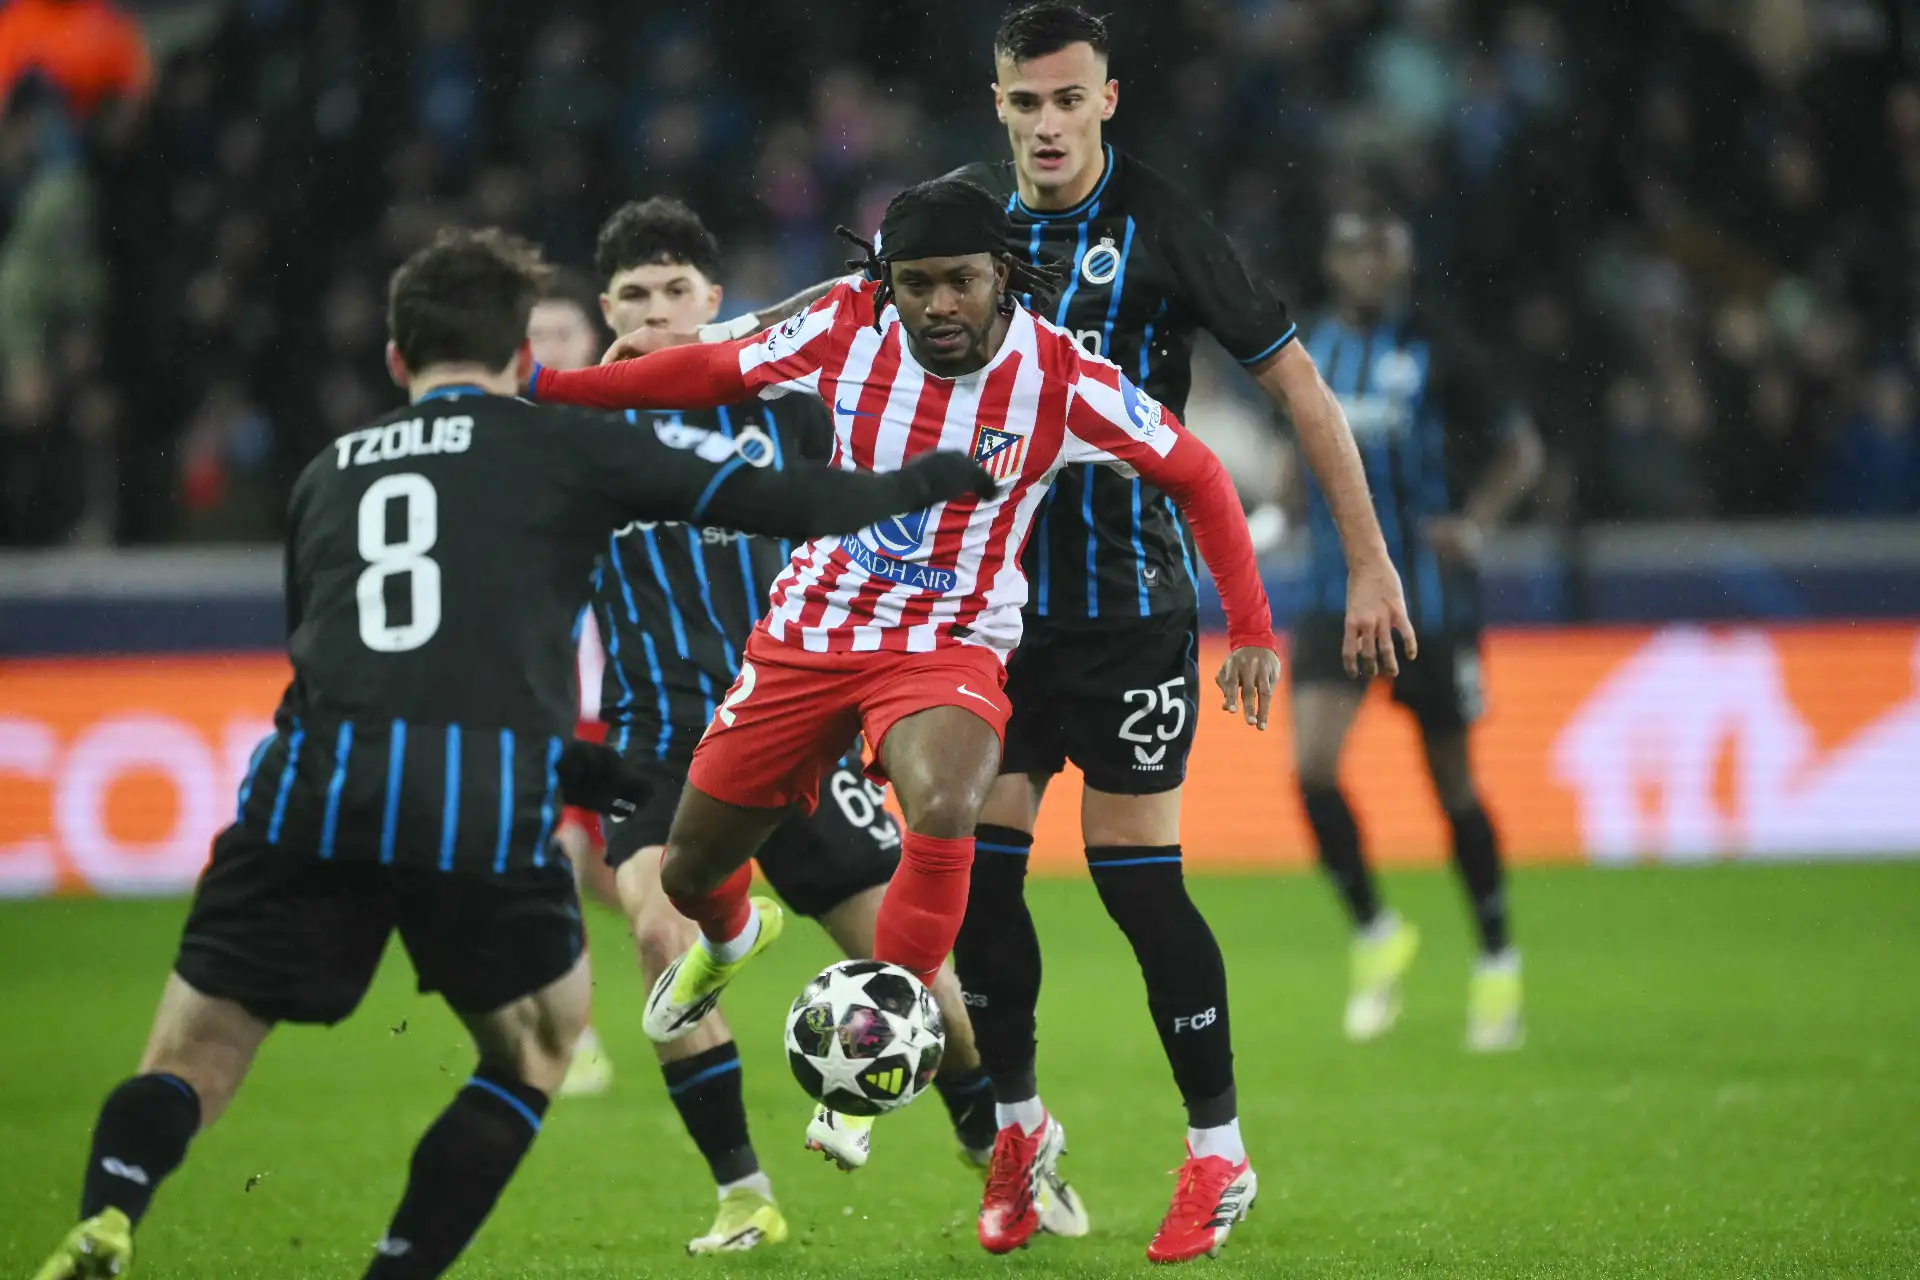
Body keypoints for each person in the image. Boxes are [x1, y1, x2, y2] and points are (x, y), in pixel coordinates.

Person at [29, 227, 995, 1280]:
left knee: (193, 1051)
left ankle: (110, 1211)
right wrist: (931, 479)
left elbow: (329, 657)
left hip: (318, 789)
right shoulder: (558, 445)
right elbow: (785, 499)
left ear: (397, 360)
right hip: (488, 795)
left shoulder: (325, 473)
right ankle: (435, 1260)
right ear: (521, 357)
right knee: (537, 1047)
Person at [528, 175, 1290, 1266]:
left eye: (960, 281)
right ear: (885, 280)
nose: (938, 303)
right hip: (809, 634)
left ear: (1001, 278)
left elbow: (1202, 473)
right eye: (917, 281)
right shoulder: (842, 320)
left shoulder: (1061, 378)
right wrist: (552, 388)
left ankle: (870, 1051)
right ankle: (736, 933)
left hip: (951, 641)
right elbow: (711, 365)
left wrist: (1252, 625)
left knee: (945, 801)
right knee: (691, 878)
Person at [569, 196, 1074, 1252]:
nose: (656, 312)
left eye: (677, 293)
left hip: (802, 719)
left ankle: (1001, 1149)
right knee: (663, 922)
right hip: (660, 739)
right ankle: (744, 1192)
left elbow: (852, 326)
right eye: (633, 295)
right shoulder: (576, 436)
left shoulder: (789, 401)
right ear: (602, 307)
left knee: (922, 977)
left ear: (712, 302)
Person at [1282, 208, 1542, 1051]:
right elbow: (1303, 444)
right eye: (1354, 251)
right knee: (1312, 769)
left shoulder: (1438, 346)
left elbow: (1520, 447)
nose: (1368, 267)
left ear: (1401, 260)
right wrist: (1281, 508)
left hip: (1428, 601)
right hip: (1334, 594)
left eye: (1382, 250)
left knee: (1452, 788)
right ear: (1333, 262)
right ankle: (1374, 933)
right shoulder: (1308, 345)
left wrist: (1476, 523)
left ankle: (1497, 957)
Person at [525, 269, 620, 1101]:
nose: (551, 347)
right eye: (537, 335)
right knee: (557, 856)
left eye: (562, 333)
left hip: (613, 698)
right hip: (541, 701)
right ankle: (576, 1034)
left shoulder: (616, 431)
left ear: (588, 342)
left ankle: (713, 940)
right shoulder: (505, 447)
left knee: (612, 879)